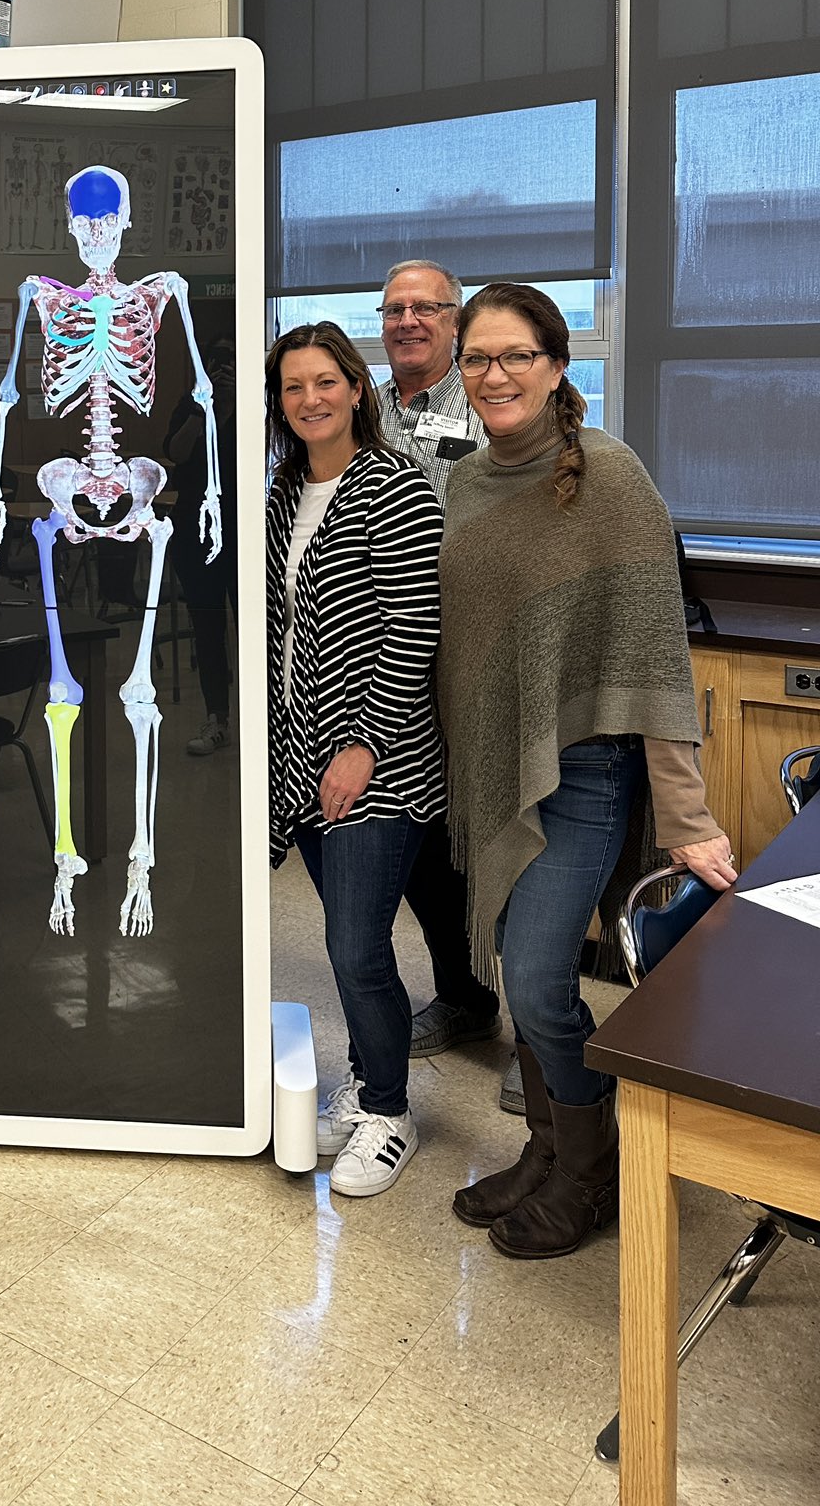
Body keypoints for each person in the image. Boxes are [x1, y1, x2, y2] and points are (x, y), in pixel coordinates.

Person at [439, 282, 737, 1258]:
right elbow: (466, 641)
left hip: (587, 774)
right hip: (497, 769)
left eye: (515, 355)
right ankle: (548, 1149)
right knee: (518, 970)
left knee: (534, 978)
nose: (494, 375)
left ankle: (592, 1163)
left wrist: (686, 816)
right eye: (478, 358)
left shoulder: (609, 475)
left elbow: (656, 658)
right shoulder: (466, 483)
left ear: (557, 364)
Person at [266, 323, 445, 1197]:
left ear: (356, 388)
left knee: (355, 944)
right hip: (300, 758)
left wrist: (361, 745)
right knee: (348, 942)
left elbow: (414, 632)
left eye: (325, 382)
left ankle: (389, 1111)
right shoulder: (281, 493)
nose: (311, 400)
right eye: (293, 386)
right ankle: (368, 1079)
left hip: (381, 761)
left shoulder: (394, 487)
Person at [373, 262, 514, 1094]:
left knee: (509, 838)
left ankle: (546, 1039)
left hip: (478, 653)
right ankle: (465, 996)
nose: (408, 320)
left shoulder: (493, 402)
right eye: (394, 309)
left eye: (426, 307)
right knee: (426, 841)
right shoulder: (367, 409)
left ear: (456, 320)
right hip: (394, 659)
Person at [163, 334, 238, 757]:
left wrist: (234, 405)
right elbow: (175, 452)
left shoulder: (256, 408)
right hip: (196, 532)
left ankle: (269, 722)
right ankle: (217, 718)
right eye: (216, 362)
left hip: (245, 531)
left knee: (258, 629)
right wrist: (202, 408)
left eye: (229, 363)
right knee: (207, 628)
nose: (222, 370)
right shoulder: (190, 405)